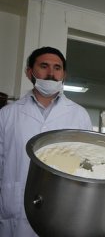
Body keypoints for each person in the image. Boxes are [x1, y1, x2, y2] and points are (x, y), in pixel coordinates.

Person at [0, 46, 93, 236]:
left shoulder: (79, 115)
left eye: (57, 68)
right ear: (29, 72)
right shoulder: (7, 114)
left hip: (63, 207)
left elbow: (86, 164)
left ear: (64, 74)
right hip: (16, 208)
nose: (51, 73)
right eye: (44, 66)